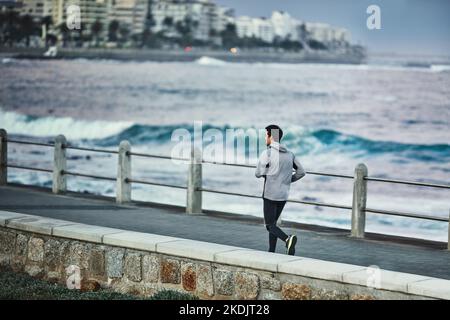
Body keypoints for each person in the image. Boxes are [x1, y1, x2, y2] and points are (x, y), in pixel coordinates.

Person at [255, 125, 306, 255]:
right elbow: (301, 172)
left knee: (269, 225)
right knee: (273, 225)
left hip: (270, 194)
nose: (265, 137)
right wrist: (287, 180)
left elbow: (258, 173)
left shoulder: (267, 153)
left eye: (266, 135)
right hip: (283, 194)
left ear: (271, 136)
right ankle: (271, 251)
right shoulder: (290, 154)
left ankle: (287, 239)